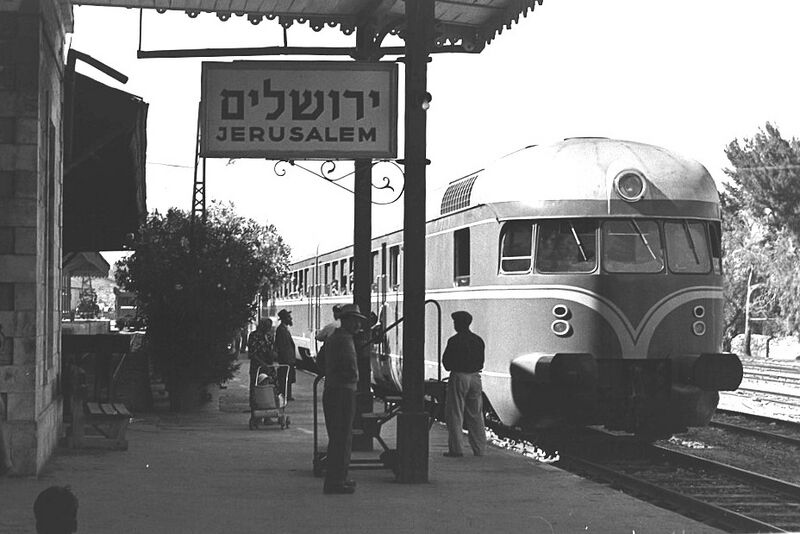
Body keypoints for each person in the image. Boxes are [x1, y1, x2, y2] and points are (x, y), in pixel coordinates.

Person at [321, 303, 365, 494]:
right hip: (343, 392)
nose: (358, 325)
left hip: (333, 389)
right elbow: (349, 369)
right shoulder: (344, 341)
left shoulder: (335, 338)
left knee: (338, 438)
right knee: (342, 438)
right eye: (355, 321)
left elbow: (320, 362)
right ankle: (336, 482)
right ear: (346, 321)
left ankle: (338, 479)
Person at [442, 310, 487, 457]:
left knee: (455, 414)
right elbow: (481, 361)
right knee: (476, 415)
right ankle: (480, 449)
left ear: (458, 324)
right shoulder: (478, 340)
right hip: (475, 378)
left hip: (459, 377)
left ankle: (456, 449)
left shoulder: (454, 341)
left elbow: (447, 364)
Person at [247, 318, 276, 409]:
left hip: (269, 366)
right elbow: (252, 353)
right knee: (256, 388)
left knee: (269, 389)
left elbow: (272, 349)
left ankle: (268, 411)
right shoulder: (254, 336)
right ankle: (255, 412)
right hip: (257, 367)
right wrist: (262, 364)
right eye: (267, 327)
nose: (269, 329)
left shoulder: (269, 336)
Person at [275, 309, 297, 401]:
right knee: (285, 378)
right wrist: (287, 359)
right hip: (286, 359)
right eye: (288, 317)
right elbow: (283, 346)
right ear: (284, 319)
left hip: (288, 359)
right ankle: (285, 395)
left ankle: (287, 395)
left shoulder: (283, 329)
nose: (291, 318)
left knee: (288, 377)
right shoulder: (281, 330)